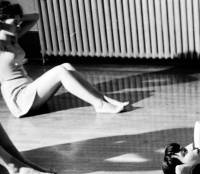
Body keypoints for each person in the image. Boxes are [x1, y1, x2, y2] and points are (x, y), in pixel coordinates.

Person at [0, 1, 129, 117]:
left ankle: (103, 99)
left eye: (19, 23)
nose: (18, 26)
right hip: (19, 100)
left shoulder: (14, 37)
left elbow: (35, 16)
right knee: (59, 71)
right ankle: (99, 104)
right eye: (15, 23)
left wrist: (14, 16)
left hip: (29, 89)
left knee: (66, 66)